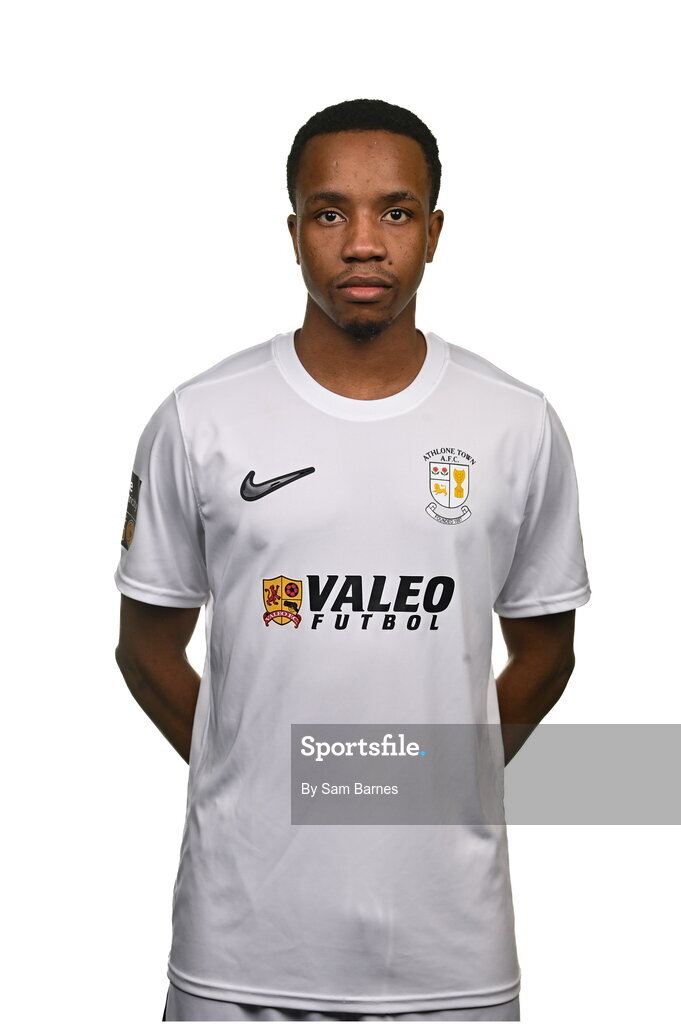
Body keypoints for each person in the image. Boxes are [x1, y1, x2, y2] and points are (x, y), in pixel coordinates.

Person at [114, 98, 591, 1023]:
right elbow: (145, 648)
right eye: (330, 213)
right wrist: (253, 774)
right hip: (241, 948)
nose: (363, 243)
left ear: (433, 232)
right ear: (294, 233)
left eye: (395, 212)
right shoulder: (200, 418)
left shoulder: (517, 424)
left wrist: (425, 784)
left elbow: (545, 654)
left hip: (449, 956)